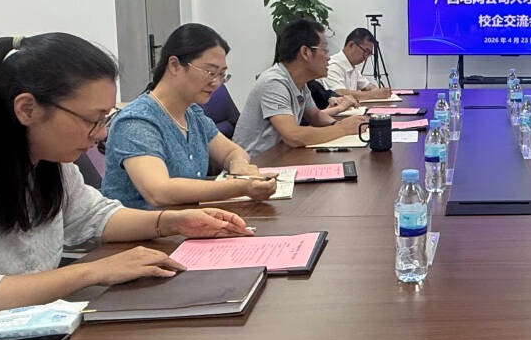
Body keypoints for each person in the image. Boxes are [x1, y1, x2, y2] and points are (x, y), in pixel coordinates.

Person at [0, 33, 252, 340]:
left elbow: (94, 217)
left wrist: (172, 221)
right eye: (92, 119)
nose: (102, 133)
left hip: (7, 328)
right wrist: (90, 272)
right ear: (27, 109)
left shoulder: (44, 156)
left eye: (105, 118)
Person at [101, 23, 278, 209]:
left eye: (222, 75)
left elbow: (232, 152)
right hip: (143, 226)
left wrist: (239, 167)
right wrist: (239, 187)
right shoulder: (136, 122)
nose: (216, 83)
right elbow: (158, 192)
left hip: (188, 220)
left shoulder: (192, 113)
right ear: (175, 65)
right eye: (210, 72)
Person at [234, 19, 367, 154]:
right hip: (256, 161)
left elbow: (315, 116)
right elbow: (293, 136)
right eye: (325, 50)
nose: (328, 58)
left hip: (281, 155)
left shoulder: (300, 82)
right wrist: (343, 129)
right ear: (305, 52)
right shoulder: (274, 82)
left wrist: (338, 124)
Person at [325, 27, 391, 100]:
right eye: (365, 51)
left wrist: (378, 91)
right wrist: (375, 94)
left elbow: (368, 86)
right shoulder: (332, 65)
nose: (366, 57)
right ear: (351, 45)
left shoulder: (352, 66)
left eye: (369, 54)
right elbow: (338, 93)